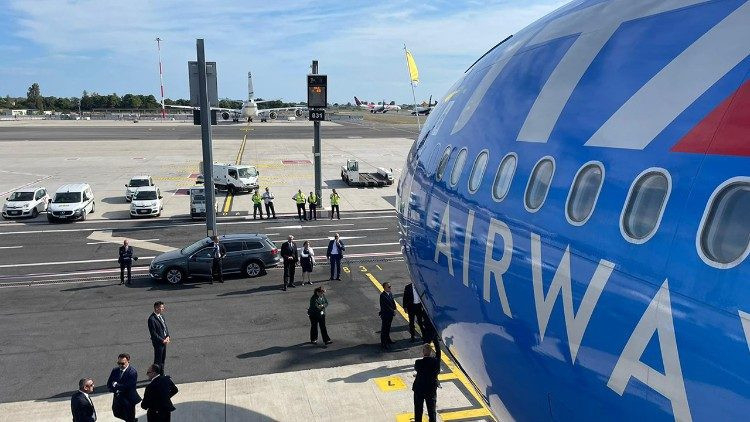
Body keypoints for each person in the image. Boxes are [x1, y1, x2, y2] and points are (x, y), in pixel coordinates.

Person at [413, 338, 442, 422]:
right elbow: (438, 353)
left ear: (423, 352)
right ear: (431, 352)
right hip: (430, 389)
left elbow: (417, 369)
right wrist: (436, 341)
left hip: (419, 388)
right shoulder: (435, 362)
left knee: (418, 410)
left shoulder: (418, 362)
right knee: (431, 411)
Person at [106, 353, 141, 422]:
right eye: (118, 363)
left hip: (128, 399)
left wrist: (116, 385)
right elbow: (109, 383)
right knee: (116, 413)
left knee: (129, 417)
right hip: (117, 397)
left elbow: (127, 387)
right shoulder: (115, 370)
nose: (120, 365)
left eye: (122, 363)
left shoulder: (132, 372)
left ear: (128, 361)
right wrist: (114, 389)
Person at [148, 301, 170, 371]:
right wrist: (162, 340)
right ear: (156, 308)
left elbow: (165, 327)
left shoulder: (161, 316)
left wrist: (168, 336)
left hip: (164, 341)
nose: (163, 308)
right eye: (162, 307)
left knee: (163, 359)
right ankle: (156, 374)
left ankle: (162, 373)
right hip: (158, 343)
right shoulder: (151, 319)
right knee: (158, 360)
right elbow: (153, 333)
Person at [379, 282, 397, 350]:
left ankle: (388, 339)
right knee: (384, 329)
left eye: (390, 286)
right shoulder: (383, 296)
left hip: (390, 315)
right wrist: (393, 311)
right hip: (385, 315)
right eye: (388, 287)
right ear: (384, 288)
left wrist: (394, 308)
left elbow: (392, 302)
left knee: (388, 328)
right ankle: (384, 343)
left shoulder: (390, 293)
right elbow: (386, 306)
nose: (390, 288)